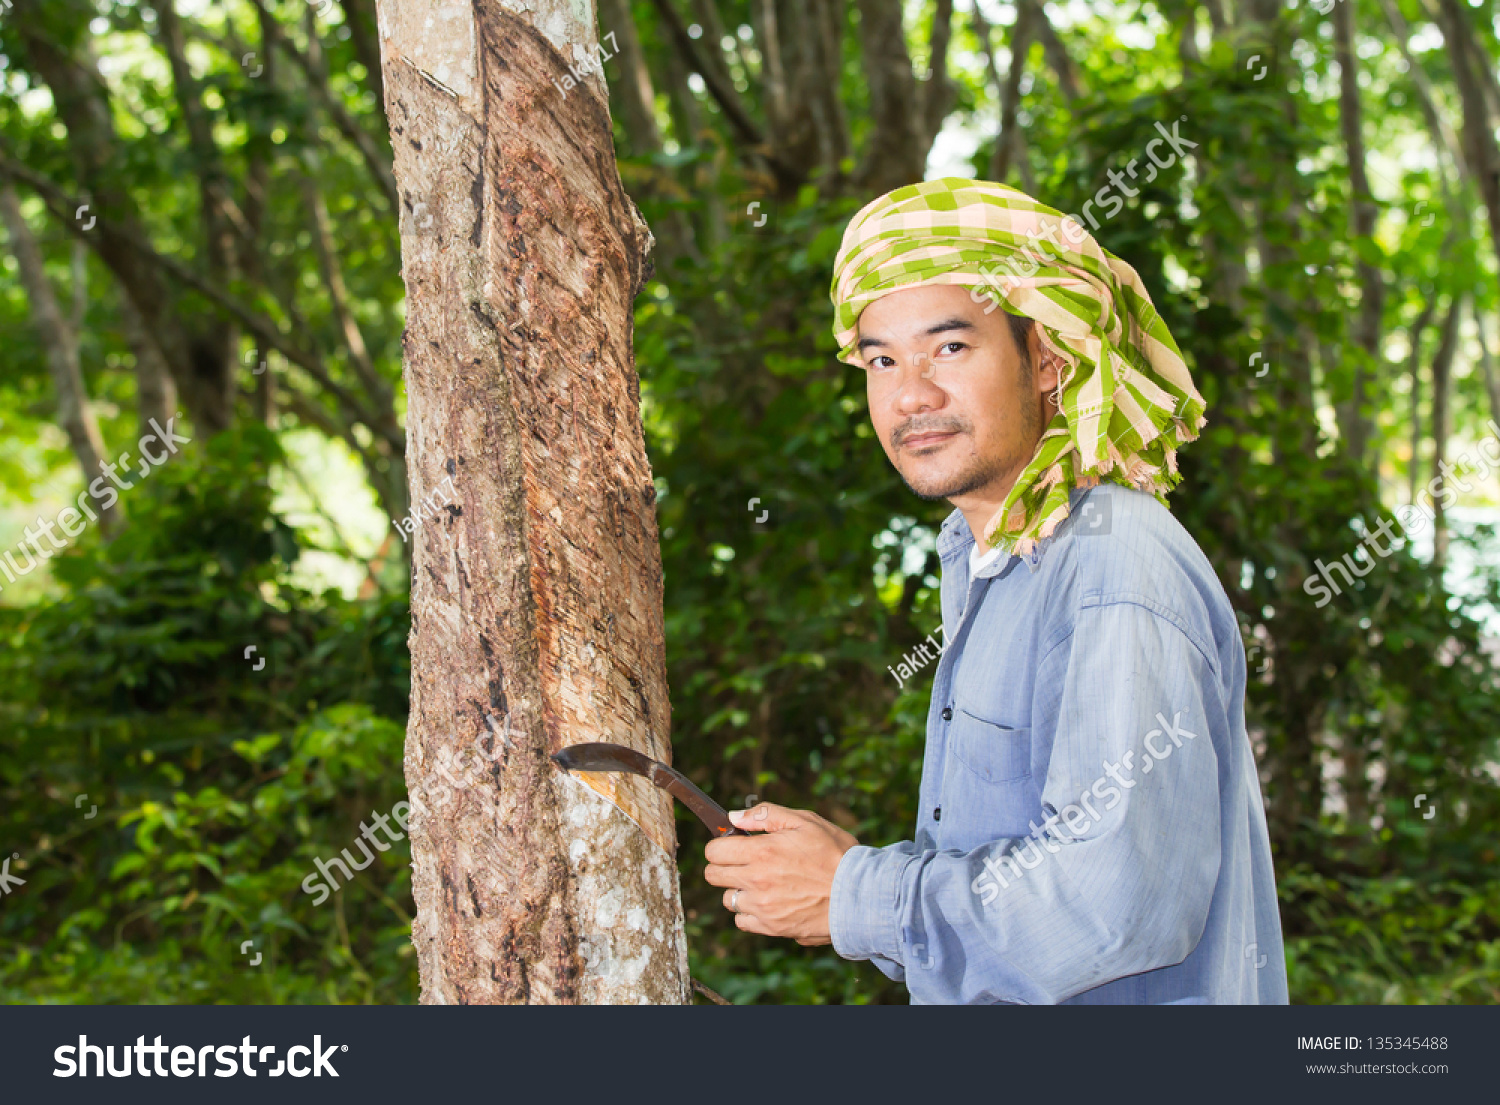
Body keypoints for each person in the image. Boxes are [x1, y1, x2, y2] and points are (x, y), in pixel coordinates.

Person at [703, 177, 1287, 1004]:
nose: (911, 394)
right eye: (881, 359)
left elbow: (1114, 904)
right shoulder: (982, 558)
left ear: (1046, 358)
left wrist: (855, 892)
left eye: (950, 347)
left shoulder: (1113, 561)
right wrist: (849, 886)